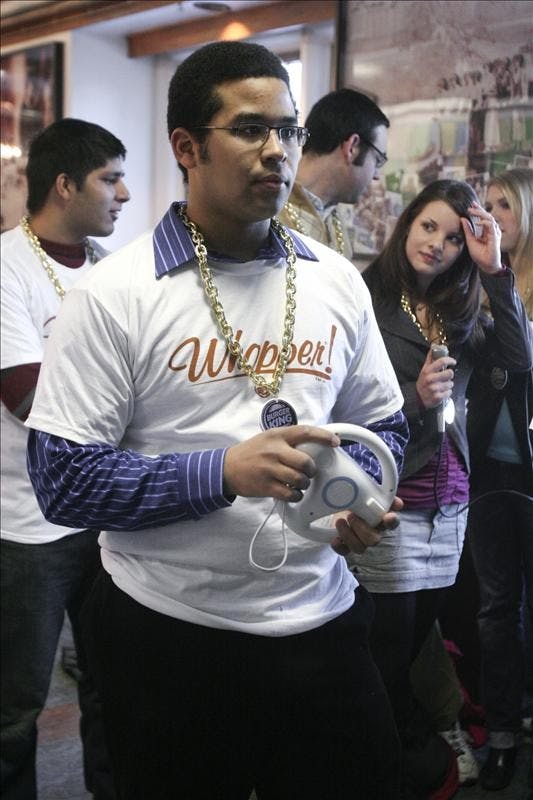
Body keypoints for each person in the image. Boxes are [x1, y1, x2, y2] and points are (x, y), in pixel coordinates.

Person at [24, 41, 409, 800]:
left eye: (290, 130)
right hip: (170, 636)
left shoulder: (334, 280)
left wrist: (359, 492)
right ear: (186, 147)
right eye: (250, 129)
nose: (278, 151)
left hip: (323, 620)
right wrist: (222, 471)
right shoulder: (114, 293)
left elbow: (383, 426)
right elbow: (61, 481)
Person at [278, 88, 470, 786]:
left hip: (383, 470)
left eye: (452, 236)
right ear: (354, 149)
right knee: (358, 642)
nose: (437, 244)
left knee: (392, 636)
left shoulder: (326, 227)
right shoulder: (293, 228)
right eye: (378, 158)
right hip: (312, 453)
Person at [347, 179, 532, 796]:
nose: (439, 244)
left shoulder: (461, 305)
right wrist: (413, 399)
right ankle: (389, 756)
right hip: (393, 489)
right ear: (407, 225)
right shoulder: (369, 297)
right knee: (388, 643)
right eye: (429, 227)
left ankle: (409, 747)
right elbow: (339, 402)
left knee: (424, 630)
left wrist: (495, 267)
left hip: (451, 494)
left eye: (454, 237)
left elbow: (519, 358)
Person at [0, 117, 130, 800]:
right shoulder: (7, 267)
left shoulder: (111, 275)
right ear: (63, 184)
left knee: (112, 693)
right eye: (111, 178)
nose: (126, 194)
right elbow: (30, 399)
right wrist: (125, 409)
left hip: (103, 519)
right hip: (28, 527)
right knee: (16, 708)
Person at [466, 167, 533, 791]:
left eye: (504, 205)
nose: (491, 217)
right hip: (487, 470)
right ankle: (505, 735)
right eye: (484, 206)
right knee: (495, 610)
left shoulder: (510, 292)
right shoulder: (476, 289)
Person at [277, 87, 389, 261]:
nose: (376, 175)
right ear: (352, 147)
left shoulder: (334, 220)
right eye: (378, 160)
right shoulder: (266, 210)